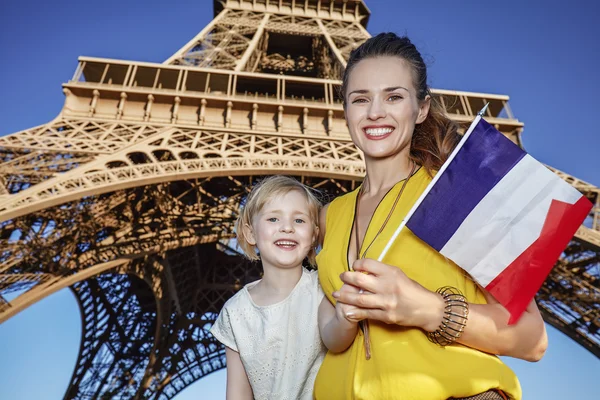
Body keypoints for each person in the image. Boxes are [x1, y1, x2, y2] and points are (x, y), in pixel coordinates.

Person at [314, 33, 548, 400]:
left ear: (421, 108)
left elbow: (533, 339)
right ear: (345, 111)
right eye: (361, 99)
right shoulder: (329, 217)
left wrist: (427, 308)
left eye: (394, 96)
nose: (375, 112)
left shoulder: (460, 192)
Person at [210, 175, 326, 400]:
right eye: (273, 219)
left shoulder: (325, 288)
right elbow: (238, 395)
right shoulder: (235, 313)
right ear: (250, 233)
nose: (287, 228)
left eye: (299, 221)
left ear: (314, 236)